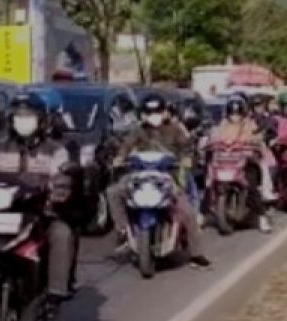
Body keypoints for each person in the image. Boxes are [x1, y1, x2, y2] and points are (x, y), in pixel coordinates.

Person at [0, 89, 79, 321]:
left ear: (41, 120)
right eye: (18, 116)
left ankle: (54, 300)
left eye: (29, 116)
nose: (23, 121)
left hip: (39, 214)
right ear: (10, 120)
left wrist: (59, 188)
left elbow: (63, 173)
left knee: (61, 234)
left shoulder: (55, 150)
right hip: (1, 215)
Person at [107, 93, 211, 268]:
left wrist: (186, 158)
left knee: (187, 212)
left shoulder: (176, 129)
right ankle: (123, 230)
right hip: (140, 176)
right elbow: (126, 146)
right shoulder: (138, 130)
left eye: (157, 111)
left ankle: (196, 254)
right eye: (149, 112)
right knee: (113, 192)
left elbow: (187, 147)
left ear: (165, 113)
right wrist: (120, 158)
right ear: (143, 114)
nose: (154, 116)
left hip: (169, 176)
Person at [207, 94, 272, 233]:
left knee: (252, 187)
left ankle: (262, 218)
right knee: (210, 184)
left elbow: (257, 138)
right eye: (232, 114)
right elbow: (213, 138)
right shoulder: (221, 126)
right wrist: (209, 145)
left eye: (237, 114)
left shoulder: (249, 125)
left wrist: (253, 145)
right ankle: (202, 214)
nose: (234, 117)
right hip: (225, 163)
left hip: (245, 163)